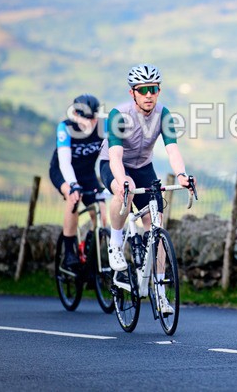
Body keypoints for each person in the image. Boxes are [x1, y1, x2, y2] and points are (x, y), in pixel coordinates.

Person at [98, 63, 191, 316]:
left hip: (143, 167)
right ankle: (116, 244)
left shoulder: (164, 114)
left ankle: (160, 295)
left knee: (156, 224)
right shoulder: (119, 114)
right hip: (113, 164)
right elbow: (116, 156)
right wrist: (123, 181)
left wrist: (182, 174)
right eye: (144, 90)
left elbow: (172, 149)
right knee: (122, 190)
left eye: (154, 89)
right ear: (133, 93)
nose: (150, 94)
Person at [49, 94, 105, 269]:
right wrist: (73, 185)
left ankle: (89, 256)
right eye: (83, 118)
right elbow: (64, 162)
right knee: (74, 198)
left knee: (103, 217)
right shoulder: (65, 127)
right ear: (74, 114)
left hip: (88, 175)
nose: (88, 123)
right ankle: (69, 253)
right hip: (63, 173)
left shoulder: (103, 127)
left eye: (92, 119)